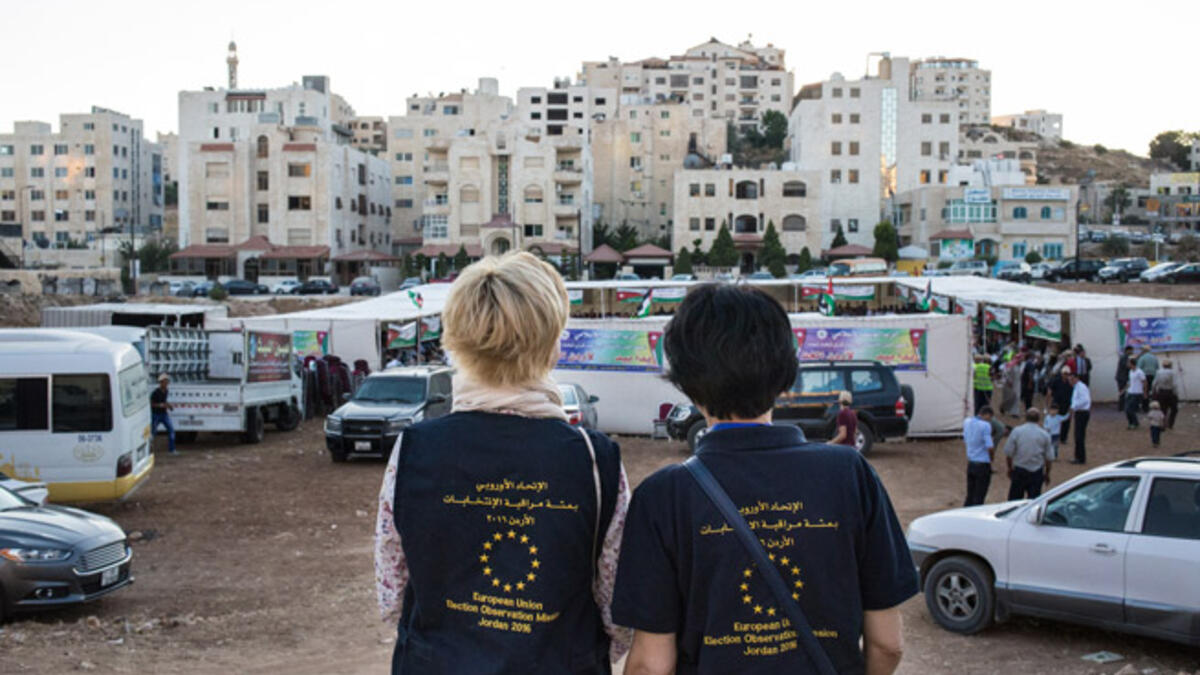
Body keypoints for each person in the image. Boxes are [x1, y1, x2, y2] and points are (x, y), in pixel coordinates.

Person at [613, 284, 915, 675]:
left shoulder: (662, 497)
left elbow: (651, 666)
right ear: (786, 374)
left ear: (686, 383)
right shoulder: (850, 475)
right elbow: (887, 644)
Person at [374, 252, 631, 673]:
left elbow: (392, 594)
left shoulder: (413, 450)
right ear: (552, 343)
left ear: (455, 339)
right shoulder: (594, 460)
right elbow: (616, 610)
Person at [1004, 408, 1054, 500]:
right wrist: (1047, 473)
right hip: (1036, 472)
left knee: (1013, 502)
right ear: (1039, 419)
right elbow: (1049, 458)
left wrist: (1010, 468)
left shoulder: (1017, 431)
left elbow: (1008, 453)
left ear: (1026, 418)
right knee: (1034, 503)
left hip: (1019, 471)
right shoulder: (1044, 435)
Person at [962, 406, 995, 507]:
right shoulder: (985, 426)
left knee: (970, 494)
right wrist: (991, 459)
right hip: (982, 464)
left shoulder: (967, 422)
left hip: (971, 462)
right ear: (987, 415)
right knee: (979, 495)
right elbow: (990, 446)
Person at [150, 373, 177, 455]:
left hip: (164, 414)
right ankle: (149, 450)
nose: (166, 384)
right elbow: (151, 404)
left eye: (167, 382)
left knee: (171, 430)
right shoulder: (155, 392)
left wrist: (169, 406)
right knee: (153, 433)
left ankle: (172, 450)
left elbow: (164, 401)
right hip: (156, 414)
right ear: (161, 383)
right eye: (165, 382)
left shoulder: (166, 391)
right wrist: (161, 405)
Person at [1068, 371, 1091, 465]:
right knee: (1078, 435)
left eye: (1072, 379)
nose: (1071, 381)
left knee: (1079, 436)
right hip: (1080, 412)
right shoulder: (1077, 387)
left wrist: (1074, 407)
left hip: (1082, 412)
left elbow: (1085, 400)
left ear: (1076, 378)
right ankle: (1078, 456)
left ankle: (1080, 457)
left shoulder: (1080, 387)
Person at [1048, 366, 1074, 444]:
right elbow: (1049, 391)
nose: (1066, 375)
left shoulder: (1070, 383)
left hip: (1067, 404)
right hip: (1057, 403)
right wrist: (1049, 402)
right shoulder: (1056, 381)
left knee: (1066, 421)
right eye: (1065, 374)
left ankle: (1063, 438)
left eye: (1067, 374)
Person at [1152, 358, 1179, 430]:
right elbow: (1175, 385)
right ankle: (1170, 424)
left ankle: (1163, 425)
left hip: (1161, 392)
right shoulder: (1173, 372)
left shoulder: (1158, 372)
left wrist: (1154, 392)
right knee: (1174, 409)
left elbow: (1154, 383)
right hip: (1170, 392)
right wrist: (1176, 394)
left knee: (1163, 409)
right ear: (1170, 365)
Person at [1124, 358, 1146, 430]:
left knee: (1130, 409)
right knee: (1126, 409)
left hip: (1137, 392)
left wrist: (1144, 392)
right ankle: (1131, 423)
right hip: (1130, 392)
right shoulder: (1130, 371)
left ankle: (1135, 423)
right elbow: (1130, 382)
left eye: (1128, 363)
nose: (1127, 364)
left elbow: (1144, 382)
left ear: (1132, 364)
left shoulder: (1139, 372)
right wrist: (1124, 389)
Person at [1136, 346, 1160, 413]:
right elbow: (1157, 367)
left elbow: (1138, 368)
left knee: (1145, 391)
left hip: (1144, 376)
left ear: (1143, 351)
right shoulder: (1154, 357)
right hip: (1153, 376)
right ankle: (1154, 406)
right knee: (1152, 391)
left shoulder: (1142, 358)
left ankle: (1145, 407)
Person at [1115, 345, 1134, 412]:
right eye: (1131, 350)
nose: (1132, 352)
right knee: (1122, 392)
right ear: (1128, 350)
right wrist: (1132, 367)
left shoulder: (1125, 357)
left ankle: (1122, 407)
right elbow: (1126, 366)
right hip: (1122, 377)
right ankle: (1121, 407)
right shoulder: (1124, 357)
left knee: (1123, 392)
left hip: (1122, 377)